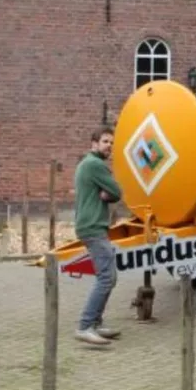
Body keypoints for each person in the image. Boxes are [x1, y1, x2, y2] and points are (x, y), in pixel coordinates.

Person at [72, 127, 124, 347]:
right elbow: (117, 192)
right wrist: (109, 194)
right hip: (93, 227)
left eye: (111, 143)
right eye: (105, 142)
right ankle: (85, 326)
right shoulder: (95, 165)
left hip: (90, 225)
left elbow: (109, 194)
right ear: (94, 143)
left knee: (108, 276)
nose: (109, 146)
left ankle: (96, 322)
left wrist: (107, 194)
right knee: (106, 277)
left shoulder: (86, 163)